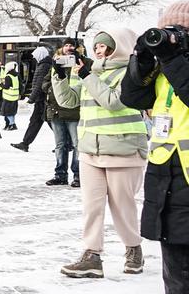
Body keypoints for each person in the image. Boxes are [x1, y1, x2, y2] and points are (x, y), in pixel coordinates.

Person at [120, 0, 189, 294]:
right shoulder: (164, 64)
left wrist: (174, 57)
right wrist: (144, 60)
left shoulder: (177, 63)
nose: (172, 37)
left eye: (180, 32)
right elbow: (132, 97)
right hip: (167, 175)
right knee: (175, 266)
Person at [53, 28, 146, 278]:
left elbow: (114, 102)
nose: (98, 50)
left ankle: (133, 249)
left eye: (104, 46)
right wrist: (59, 76)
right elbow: (69, 102)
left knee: (123, 206)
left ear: (119, 47)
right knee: (91, 207)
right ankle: (91, 255)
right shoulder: (90, 73)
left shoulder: (131, 72)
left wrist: (85, 75)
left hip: (123, 150)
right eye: (96, 46)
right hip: (90, 150)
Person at [44, 44, 82, 188]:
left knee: (78, 145)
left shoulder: (83, 63)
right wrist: (51, 90)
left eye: (72, 45)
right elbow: (45, 82)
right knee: (60, 146)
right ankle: (60, 175)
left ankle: (78, 174)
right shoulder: (56, 63)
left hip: (74, 112)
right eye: (66, 45)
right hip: (57, 111)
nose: (69, 47)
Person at [11, 45, 53, 151]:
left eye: (36, 56)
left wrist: (31, 98)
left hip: (43, 100)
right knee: (37, 122)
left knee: (50, 122)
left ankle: (66, 143)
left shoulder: (44, 66)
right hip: (42, 99)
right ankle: (25, 143)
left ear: (40, 55)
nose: (35, 58)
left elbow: (39, 84)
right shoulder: (44, 65)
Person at [0, 60, 22, 130]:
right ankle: (10, 124)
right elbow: (21, 85)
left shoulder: (8, 76)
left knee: (7, 112)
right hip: (15, 96)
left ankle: (12, 124)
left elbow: (6, 86)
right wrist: (20, 93)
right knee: (12, 112)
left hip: (8, 96)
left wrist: (1, 85)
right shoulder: (17, 75)